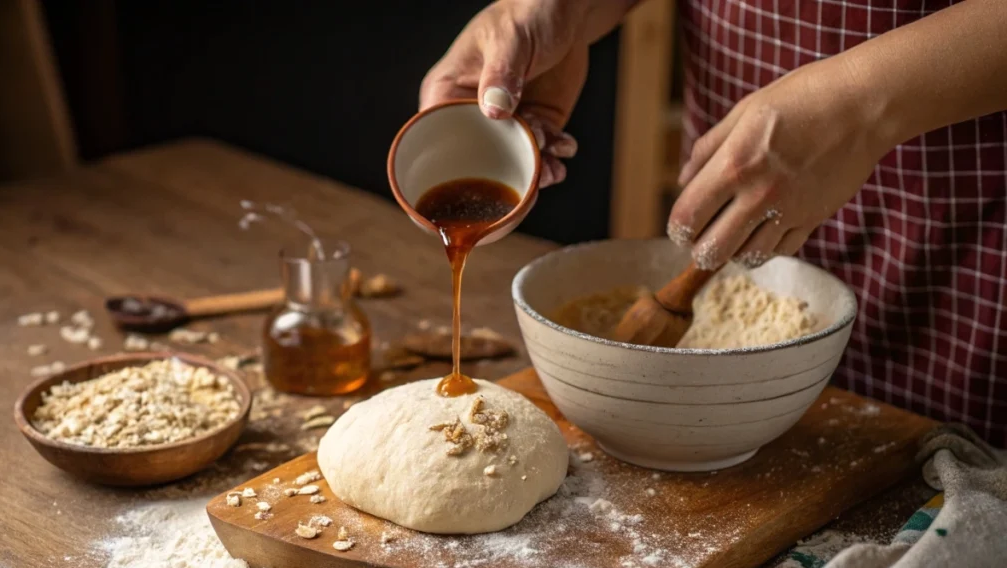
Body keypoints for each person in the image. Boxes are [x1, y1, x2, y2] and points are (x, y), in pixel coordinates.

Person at [420, 0, 1007, 446]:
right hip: (744, 145)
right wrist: (561, 10)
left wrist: (855, 102)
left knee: (938, 459)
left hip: (965, 223)